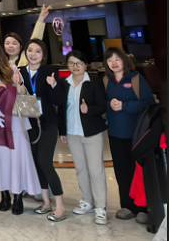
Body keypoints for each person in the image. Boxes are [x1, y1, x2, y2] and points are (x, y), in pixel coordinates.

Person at [0, 37, 40, 216]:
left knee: (16, 159)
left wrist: (17, 83)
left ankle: (18, 196)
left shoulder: (11, 68)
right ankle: (4, 195)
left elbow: (23, 93)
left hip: (14, 122)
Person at [57, 51, 108, 225]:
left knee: (96, 170)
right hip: (72, 133)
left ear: (85, 65)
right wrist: (62, 131)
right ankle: (87, 201)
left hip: (91, 132)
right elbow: (61, 109)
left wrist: (89, 110)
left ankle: (101, 207)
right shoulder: (64, 84)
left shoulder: (94, 82)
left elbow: (102, 106)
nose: (75, 66)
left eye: (79, 63)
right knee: (81, 169)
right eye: (72, 63)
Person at [103, 47, 154, 222]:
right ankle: (127, 205)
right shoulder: (106, 80)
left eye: (117, 59)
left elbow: (148, 102)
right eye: (110, 60)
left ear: (124, 60)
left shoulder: (136, 79)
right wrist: (109, 104)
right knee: (121, 170)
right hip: (115, 134)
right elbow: (101, 102)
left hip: (136, 134)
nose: (113, 63)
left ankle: (144, 208)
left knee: (138, 171)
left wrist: (125, 106)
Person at [20, 39, 67, 221]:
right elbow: (18, 97)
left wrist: (53, 85)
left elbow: (59, 101)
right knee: (37, 163)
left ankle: (60, 206)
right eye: (30, 50)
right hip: (30, 124)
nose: (33, 54)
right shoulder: (20, 72)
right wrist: (18, 86)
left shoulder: (50, 72)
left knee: (45, 162)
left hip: (48, 123)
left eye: (38, 51)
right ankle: (46, 203)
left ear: (43, 55)